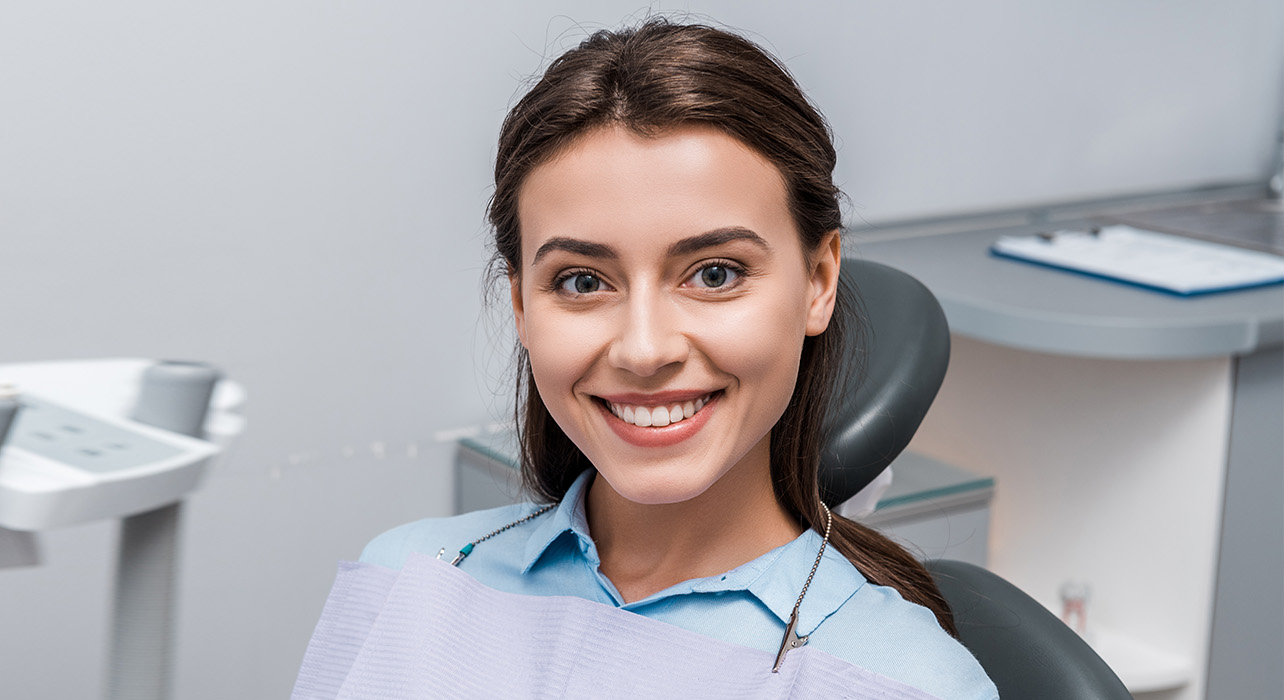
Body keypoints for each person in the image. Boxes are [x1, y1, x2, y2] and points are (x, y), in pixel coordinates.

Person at [349, 18, 996, 699]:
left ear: (819, 280)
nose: (645, 349)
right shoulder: (411, 579)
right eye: (582, 281)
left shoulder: (905, 681)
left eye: (714, 273)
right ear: (520, 305)